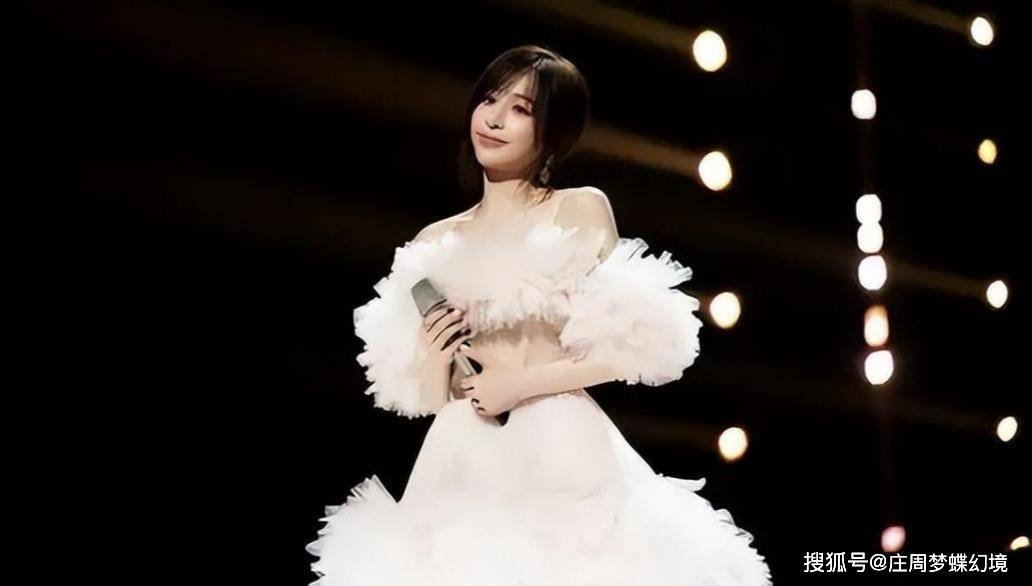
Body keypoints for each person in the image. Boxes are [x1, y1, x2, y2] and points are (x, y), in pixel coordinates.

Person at [306, 45, 773, 586]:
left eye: (521, 109)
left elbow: (631, 349)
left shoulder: (577, 208)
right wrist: (434, 356)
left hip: (560, 448)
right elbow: (431, 397)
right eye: (489, 100)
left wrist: (520, 384)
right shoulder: (434, 240)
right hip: (459, 460)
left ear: (553, 132)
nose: (495, 118)